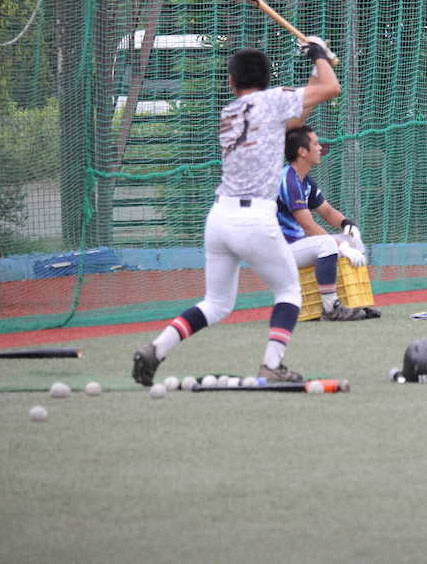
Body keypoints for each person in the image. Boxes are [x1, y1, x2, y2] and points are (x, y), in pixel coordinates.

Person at [132, 37, 341, 386]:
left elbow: (296, 115)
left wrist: (314, 64)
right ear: (268, 78)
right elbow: (331, 88)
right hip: (254, 219)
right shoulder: (273, 101)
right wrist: (318, 54)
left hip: (219, 218)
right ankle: (272, 365)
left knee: (216, 304)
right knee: (289, 293)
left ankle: (157, 348)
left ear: (232, 81)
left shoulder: (230, 112)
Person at [277, 125, 380, 321]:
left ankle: (356, 302)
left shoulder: (305, 180)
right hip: (281, 249)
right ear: (302, 152)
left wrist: (347, 224)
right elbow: (308, 226)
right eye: (315, 144)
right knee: (327, 245)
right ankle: (330, 307)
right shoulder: (288, 180)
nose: (320, 148)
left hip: (297, 246)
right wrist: (340, 246)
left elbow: (327, 211)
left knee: (352, 240)